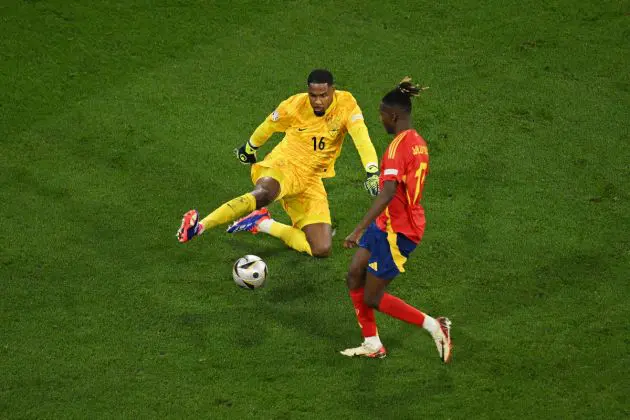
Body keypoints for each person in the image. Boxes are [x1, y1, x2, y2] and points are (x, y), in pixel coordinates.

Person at [177, 69, 379, 258]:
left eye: (323, 95)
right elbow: (269, 125)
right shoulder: (294, 105)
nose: (317, 101)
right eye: (313, 95)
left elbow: (361, 137)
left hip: (310, 181)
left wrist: (372, 172)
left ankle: (263, 223)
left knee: (321, 249)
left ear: (333, 91)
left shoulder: (346, 104)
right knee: (264, 194)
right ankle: (199, 227)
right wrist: (249, 148)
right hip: (283, 165)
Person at [339, 78, 452, 362]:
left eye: (381, 115)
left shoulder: (395, 150)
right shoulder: (417, 143)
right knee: (354, 273)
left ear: (393, 115)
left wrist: (357, 228)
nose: (381, 121)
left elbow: (388, 193)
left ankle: (433, 326)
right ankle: (372, 344)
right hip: (387, 224)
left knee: (373, 297)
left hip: (398, 232)